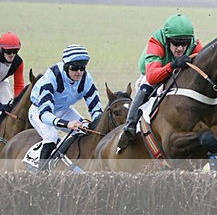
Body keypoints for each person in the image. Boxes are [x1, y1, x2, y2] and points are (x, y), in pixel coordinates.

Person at [117, 13, 203, 151]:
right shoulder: (156, 40)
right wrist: (172, 65)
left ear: (190, 40)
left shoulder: (195, 43)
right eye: (176, 44)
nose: (180, 48)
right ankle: (130, 127)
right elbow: (152, 77)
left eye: (184, 44)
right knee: (146, 87)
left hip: (177, 70)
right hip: (153, 71)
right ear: (167, 40)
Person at [28, 44, 103, 170]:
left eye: (82, 68)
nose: (79, 72)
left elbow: (95, 106)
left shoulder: (85, 78)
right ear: (66, 66)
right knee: (51, 136)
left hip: (63, 110)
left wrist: (97, 122)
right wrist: (67, 124)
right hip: (39, 111)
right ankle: (41, 174)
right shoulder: (51, 77)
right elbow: (45, 114)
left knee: (84, 131)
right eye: (74, 68)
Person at [0, 31, 25, 115]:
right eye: (8, 51)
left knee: (10, 108)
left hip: (2, 81)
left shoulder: (18, 62)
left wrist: (17, 102)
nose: (12, 55)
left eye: (15, 51)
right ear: (1, 49)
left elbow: (19, 85)